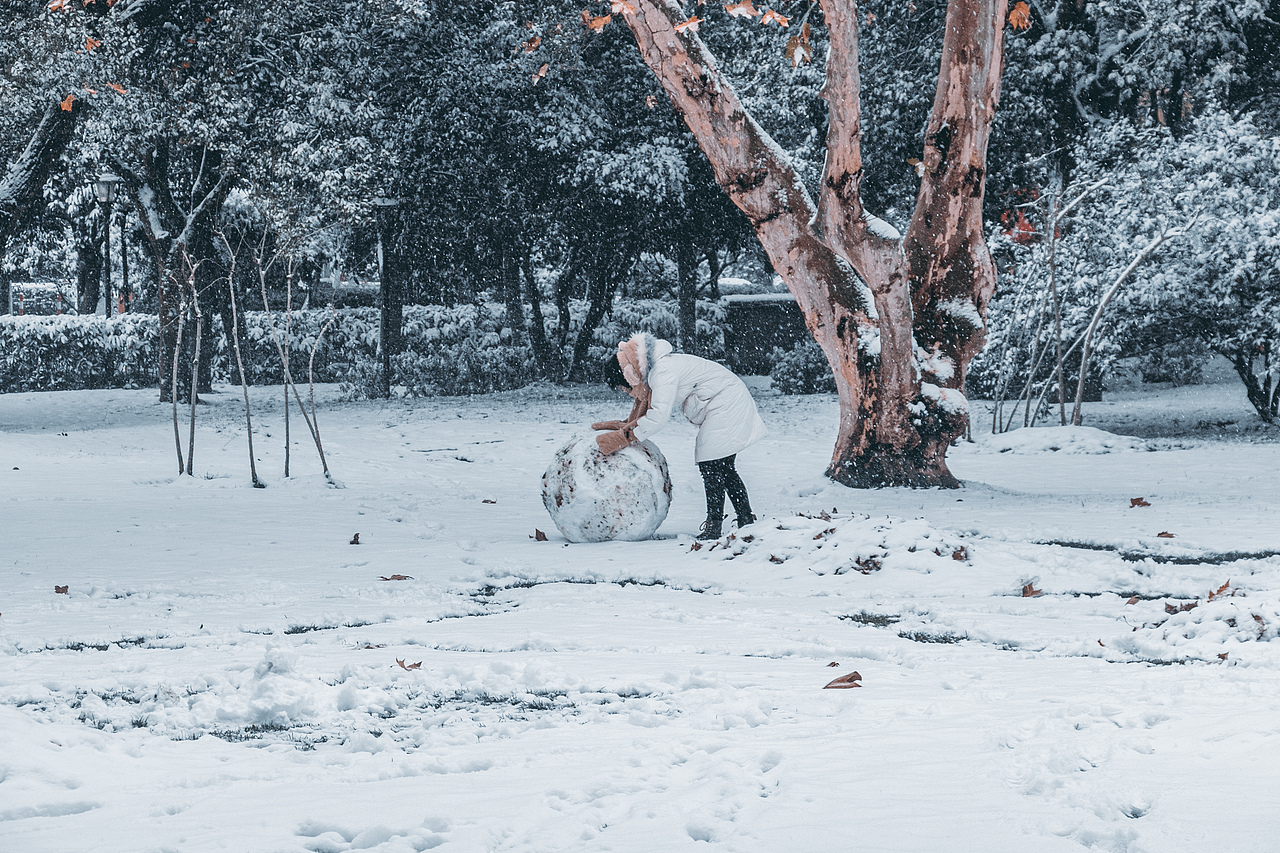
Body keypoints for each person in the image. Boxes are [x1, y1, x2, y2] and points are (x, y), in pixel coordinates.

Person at [593, 332, 767, 540]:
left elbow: (657, 417)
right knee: (723, 467)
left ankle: (715, 527)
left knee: (711, 464)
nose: (626, 391)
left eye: (624, 385)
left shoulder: (662, 372)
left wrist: (624, 437)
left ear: (628, 374)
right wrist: (627, 427)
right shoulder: (656, 370)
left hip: (727, 404)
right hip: (727, 401)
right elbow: (647, 410)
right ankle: (745, 520)